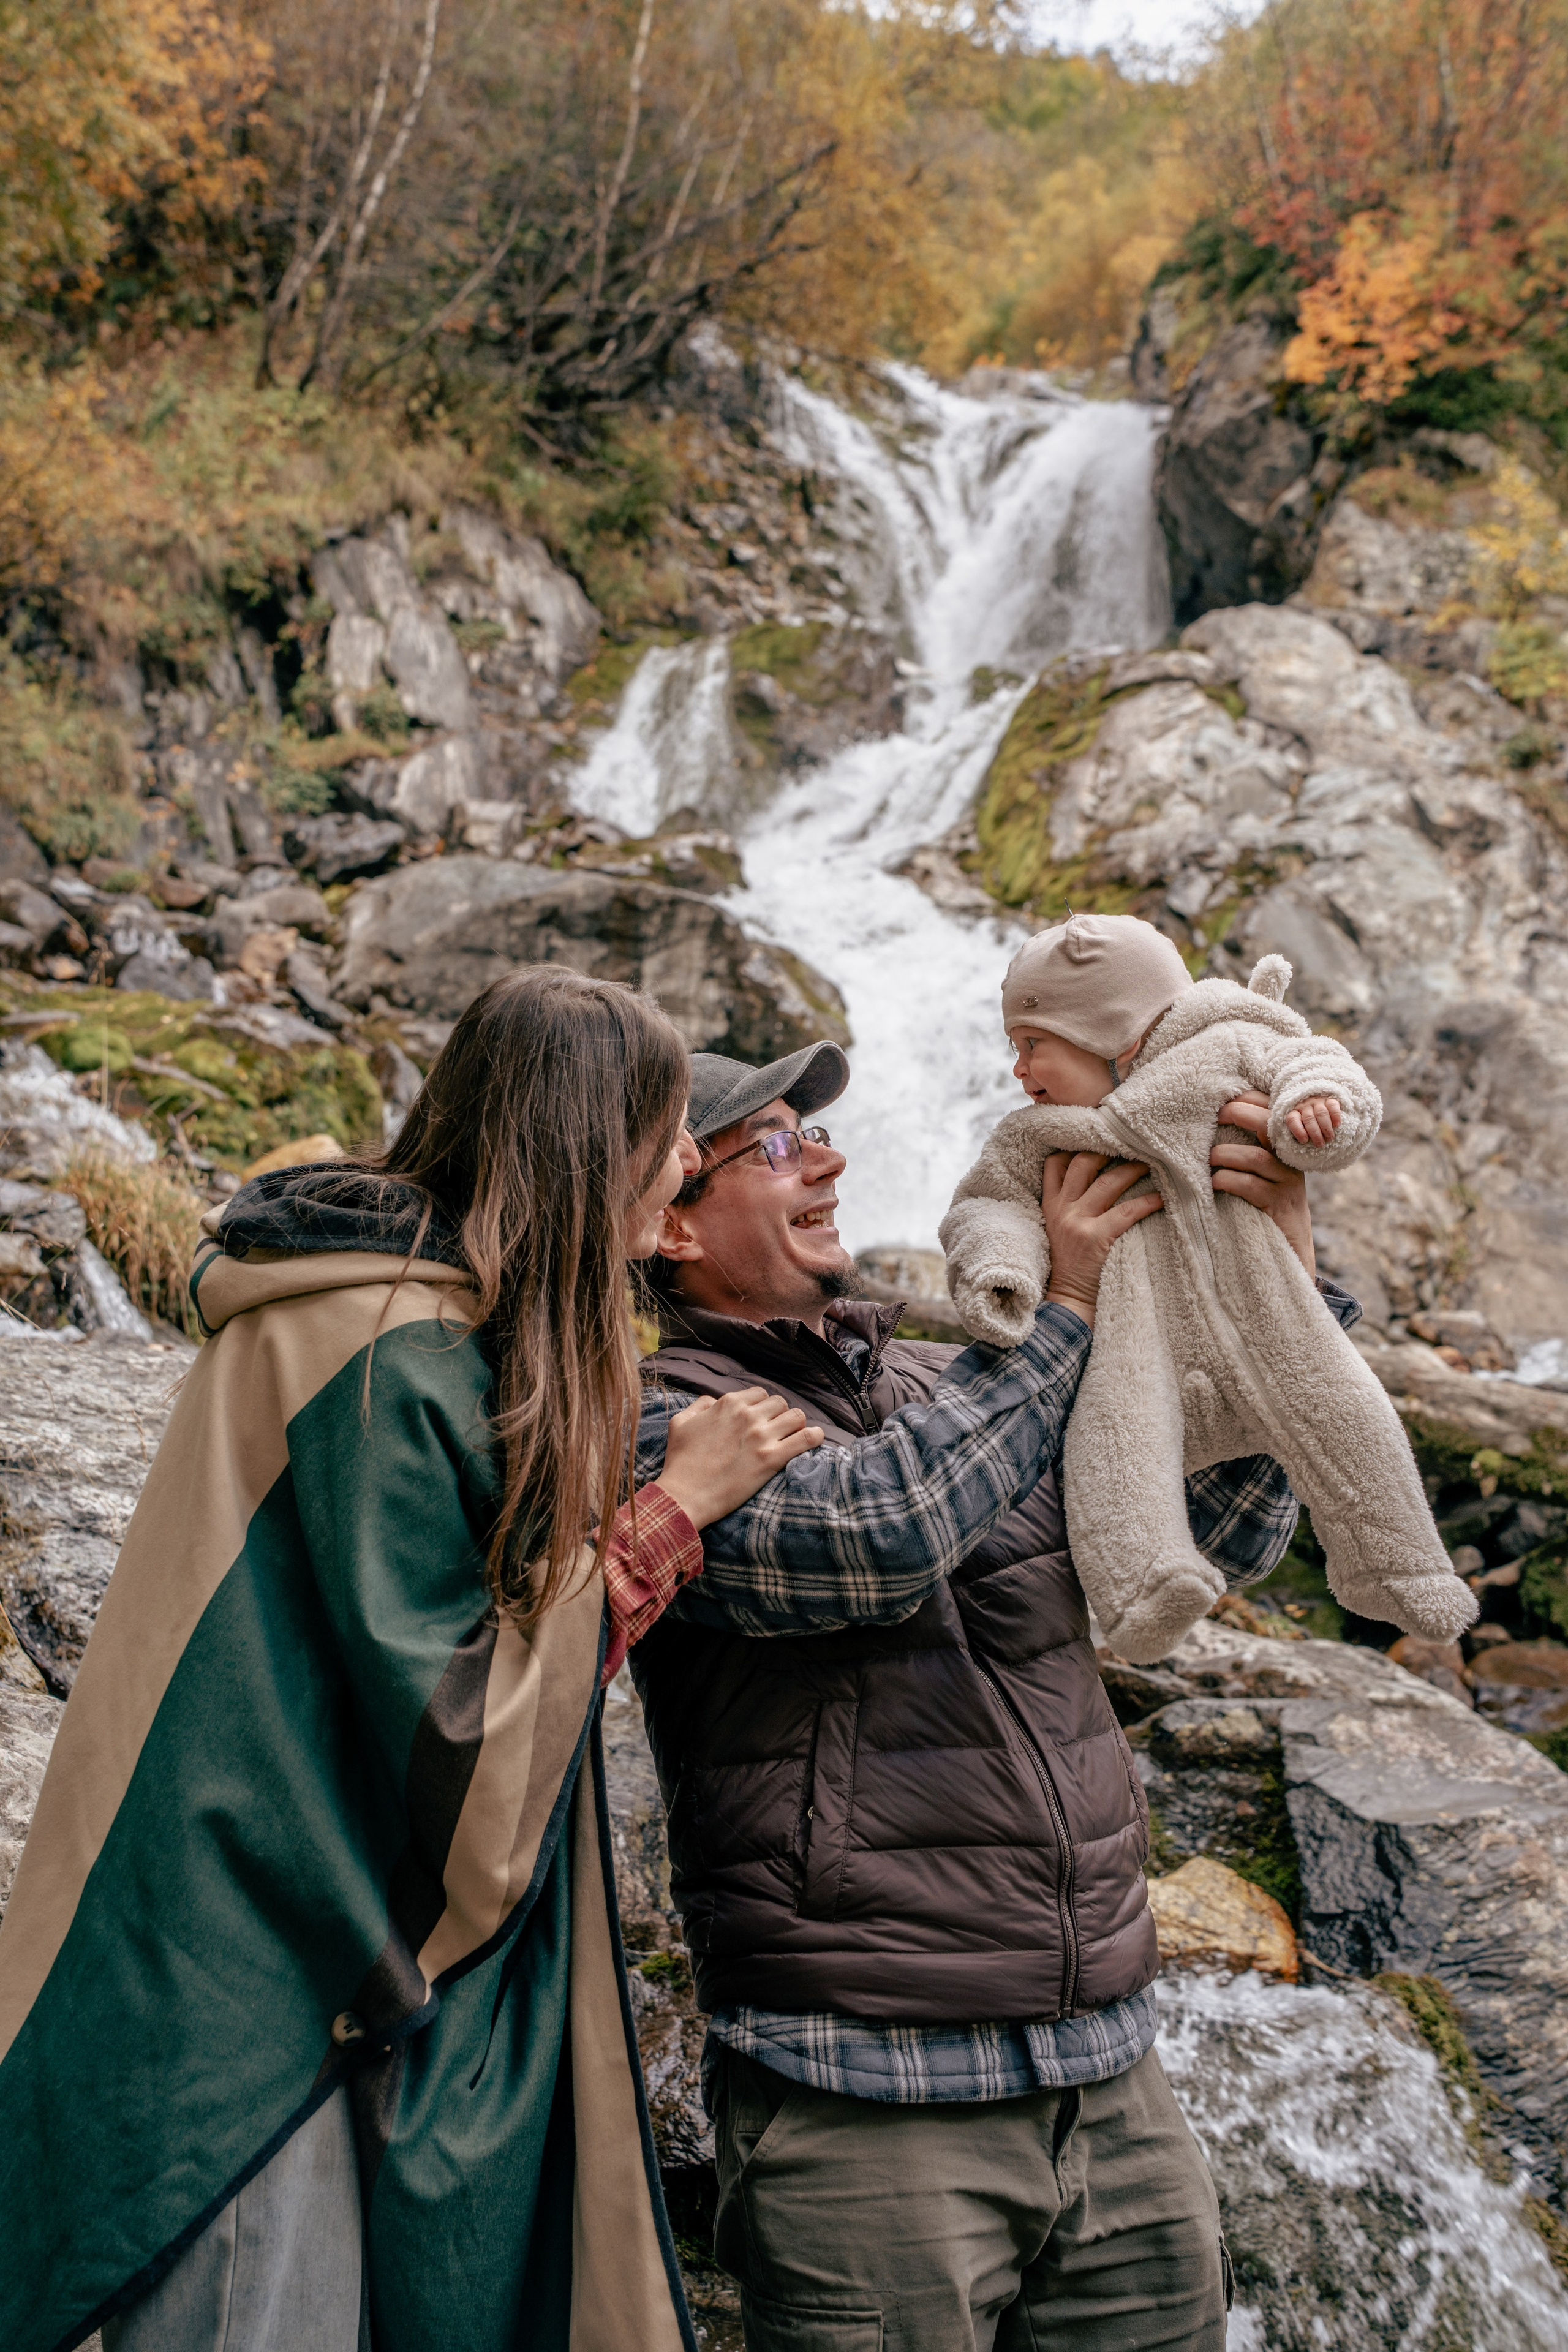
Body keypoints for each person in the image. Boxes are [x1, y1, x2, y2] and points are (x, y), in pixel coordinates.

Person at [0, 968, 824, 2352]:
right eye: (670, 1127)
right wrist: (668, 1516)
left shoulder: (397, 1314)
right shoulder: (383, 1343)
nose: (690, 1161)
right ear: (584, 1143)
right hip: (240, 1994)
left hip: (248, 1938)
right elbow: (449, 1722)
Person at [628, 1036, 1364, 2352]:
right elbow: (879, 1535)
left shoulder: (944, 1379)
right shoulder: (656, 1425)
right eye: (780, 1145)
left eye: (823, 1135)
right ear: (671, 1223)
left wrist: (1277, 1273)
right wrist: (1064, 1314)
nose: (831, 1159)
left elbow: (1205, 1536)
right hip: (863, 2101)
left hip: (1110, 2080)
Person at [941, 913, 1469, 1662]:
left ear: (1110, 1030)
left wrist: (1316, 1113)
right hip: (1135, 1341)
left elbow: (1318, 1067)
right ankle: (1144, 1591)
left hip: (1270, 1306)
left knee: (1348, 1415)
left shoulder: (1228, 1047)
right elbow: (987, 1203)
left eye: (1032, 1045)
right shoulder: (1041, 1135)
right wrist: (1003, 1269)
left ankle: (1403, 1568)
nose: (1018, 1072)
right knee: (1115, 1449)